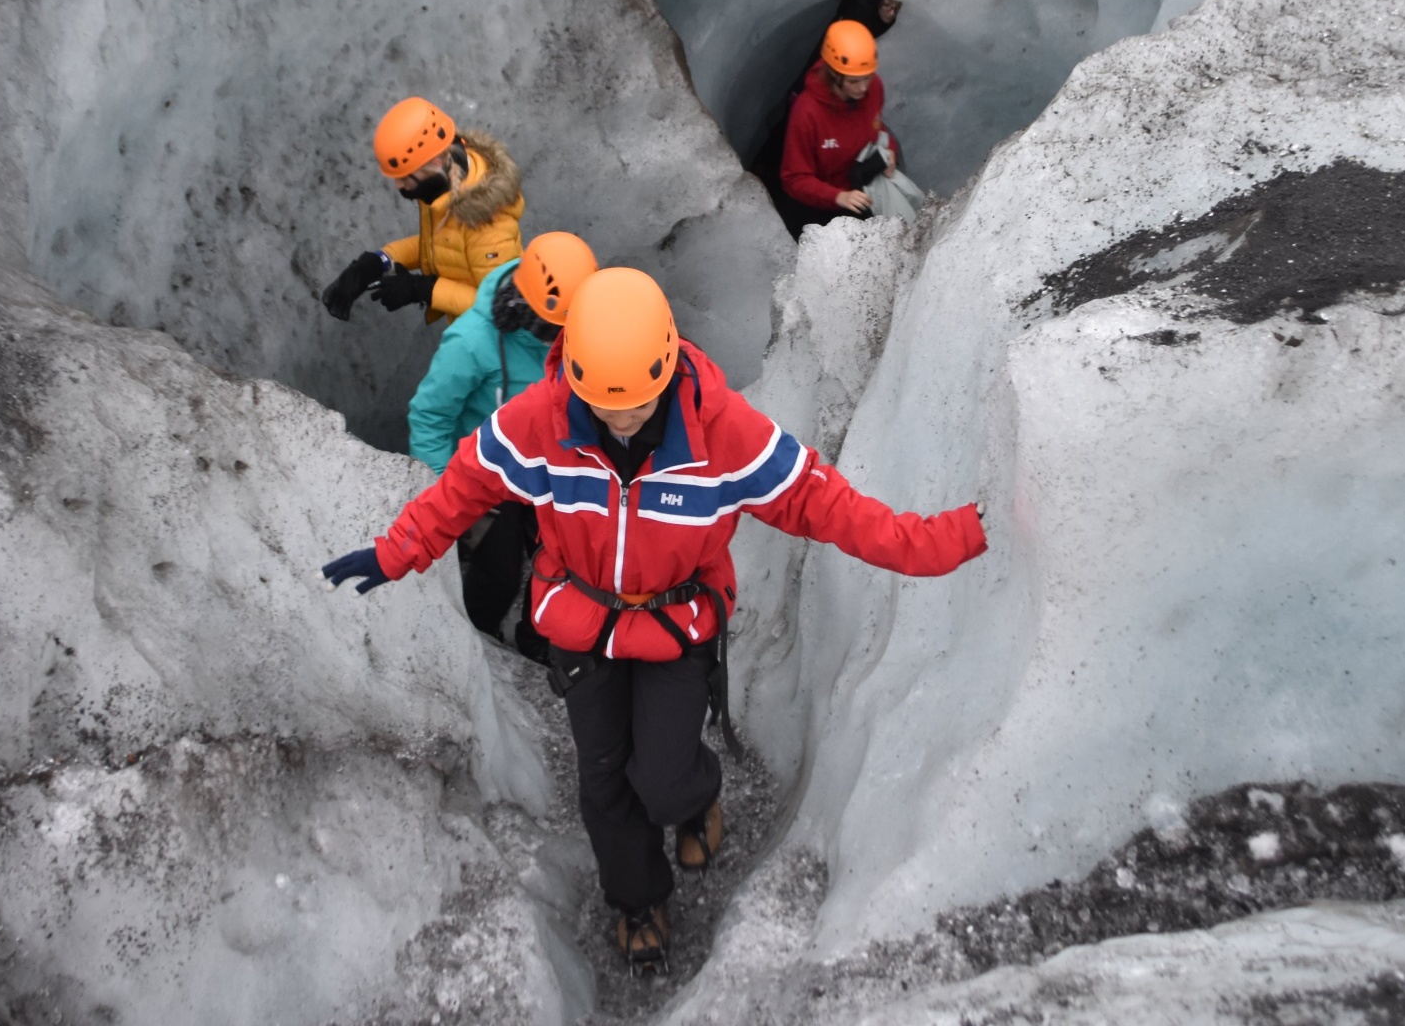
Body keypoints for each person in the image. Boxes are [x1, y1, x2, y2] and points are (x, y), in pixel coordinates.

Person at [321, 268, 986, 971]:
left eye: (637, 403)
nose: (623, 419)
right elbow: (462, 487)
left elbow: (826, 504)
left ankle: (695, 800)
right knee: (603, 782)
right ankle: (638, 900)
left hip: (676, 626)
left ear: (668, 366)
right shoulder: (539, 422)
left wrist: (940, 541)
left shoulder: (723, 433)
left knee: (662, 779)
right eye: (605, 405)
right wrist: (397, 552)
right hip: (578, 625)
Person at [407, 232, 599, 648]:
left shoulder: (574, 325)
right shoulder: (473, 342)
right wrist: (446, 491)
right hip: (490, 473)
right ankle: (479, 640)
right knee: (498, 573)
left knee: (569, 562)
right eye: (558, 328)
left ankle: (536, 640)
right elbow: (431, 415)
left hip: (553, 467)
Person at [320, 97, 526, 324]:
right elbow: (445, 245)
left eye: (404, 177)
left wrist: (423, 290)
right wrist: (379, 262)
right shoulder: (444, 186)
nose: (398, 186)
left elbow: (500, 306)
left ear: (435, 163)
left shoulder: (489, 226)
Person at [779, 20, 899, 231]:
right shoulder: (807, 113)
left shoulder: (875, 88)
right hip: (822, 208)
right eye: (854, 81)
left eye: (867, 77)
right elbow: (794, 178)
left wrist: (890, 151)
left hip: (862, 192)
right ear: (833, 73)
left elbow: (877, 127)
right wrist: (838, 197)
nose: (863, 88)